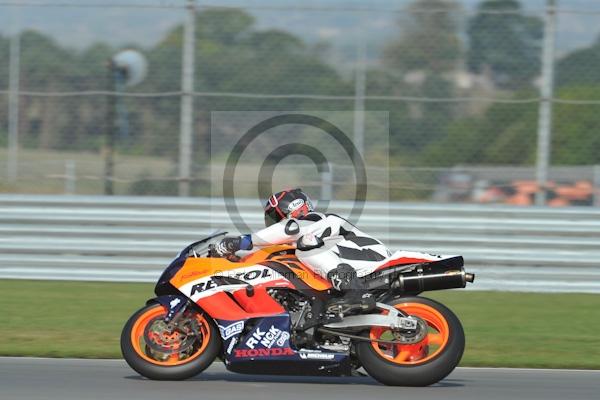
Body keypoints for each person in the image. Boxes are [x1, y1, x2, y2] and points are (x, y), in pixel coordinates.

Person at [211, 188, 392, 314]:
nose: (274, 222)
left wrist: (240, 242)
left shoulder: (315, 219)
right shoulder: (308, 228)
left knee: (306, 247)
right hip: (356, 261)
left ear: (291, 209)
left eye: (276, 216)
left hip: (372, 257)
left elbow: (288, 229)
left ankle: (355, 292)